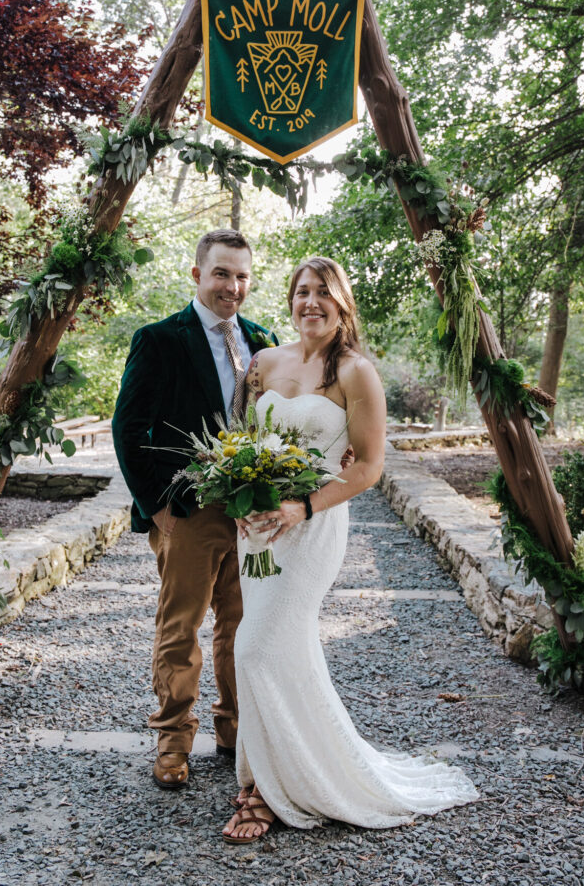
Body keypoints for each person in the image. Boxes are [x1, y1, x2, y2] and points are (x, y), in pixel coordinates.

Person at [222, 256, 478, 843]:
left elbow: (368, 466)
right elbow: (241, 441)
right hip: (258, 527)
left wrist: (300, 506)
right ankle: (270, 768)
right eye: (302, 291)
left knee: (256, 648)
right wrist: (243, 497)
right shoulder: (262, 363)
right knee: (272, 648)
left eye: (323, 294)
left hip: (311, 526)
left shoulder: (356, 373)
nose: (311, 302)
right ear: (290, 299)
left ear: (343, 305)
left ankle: (264, 789)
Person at [112, 229, 278, 790]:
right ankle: (173, 741)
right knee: (181, 626)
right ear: (197, 275)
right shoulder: (160, 339)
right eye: (222, 274)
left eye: (242, 276)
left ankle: (233, 731)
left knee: (241, 624)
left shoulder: (264, 339)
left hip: (250, 512)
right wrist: (156, 506)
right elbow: (129, 428)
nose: (233, 286)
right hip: (186, 508)